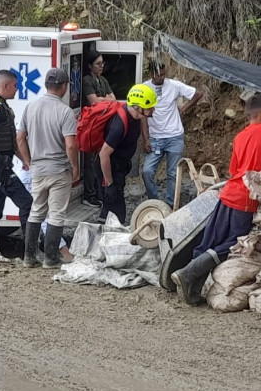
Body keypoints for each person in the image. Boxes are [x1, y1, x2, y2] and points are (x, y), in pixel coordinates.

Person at [172, 92, 261, 306]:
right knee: (236, 244)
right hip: (246, 199)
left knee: (209, 241)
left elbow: (234, 169)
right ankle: (188, 272)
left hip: (227, 194)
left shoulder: (240, 137)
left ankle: (192, 289)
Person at [16, 68, 79, 268]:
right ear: (64, 87)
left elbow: (20, 138)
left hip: (38, 170)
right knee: (56, 214)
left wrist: (28, 162)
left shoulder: (30, 107)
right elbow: (71, 145)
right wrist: (75, 166)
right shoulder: (65, 111)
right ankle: (50, 258)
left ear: (46, 85)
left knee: (36, 211)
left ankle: (29, 256)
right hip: (59, 170)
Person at [0, 69, 32, 252]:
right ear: (5, 85)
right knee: (27, 203)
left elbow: (9, 140)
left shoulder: (0, 105)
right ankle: (30, 252)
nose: (17, 89)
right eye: (15, 86)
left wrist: (24, 160)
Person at [141, 62, 203, 207]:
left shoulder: (174, 85)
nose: (162, 77)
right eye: (159, 75)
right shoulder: (145, 88)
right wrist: (145, 139)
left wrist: (183, 109)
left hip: (174, 136)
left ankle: (171, 206)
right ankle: (155, 203)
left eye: (164, 74)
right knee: (147, 171)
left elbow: (198, 94)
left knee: (173, 174)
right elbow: (142, 116)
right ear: (151, 74)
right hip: (155, 138)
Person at [98, 84, 157, 225]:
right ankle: (106, 234)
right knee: (116, 210)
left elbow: (143, 120)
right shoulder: (119, 125)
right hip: (108, 170)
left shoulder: (136, 115)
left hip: (118, 166)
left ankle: (105, 228)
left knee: (112, 208)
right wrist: (109, 184)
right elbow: (103, 154)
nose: (153, 110)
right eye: (150, 108)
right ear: (137, 107)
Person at [80, 52, 115, 208]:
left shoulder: (103, 80)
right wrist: (105, 99)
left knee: (99, 159)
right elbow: (94, 101)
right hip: (90, 124)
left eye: (102, 63)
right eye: (98, 64)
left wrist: (103, 100)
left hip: (102, 123)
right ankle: (89, 194)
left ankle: (97, 191)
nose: (101, 66)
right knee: (90, 160)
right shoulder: (87, 80)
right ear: (90, 66)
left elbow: (113, 99)